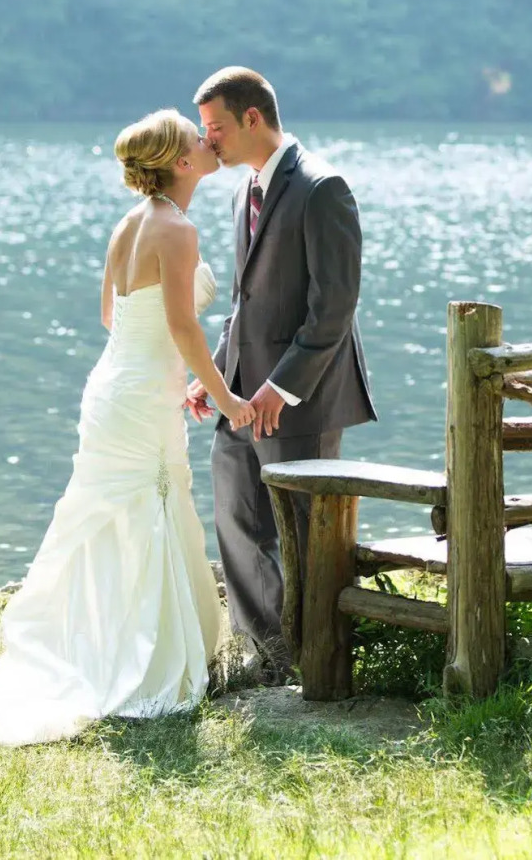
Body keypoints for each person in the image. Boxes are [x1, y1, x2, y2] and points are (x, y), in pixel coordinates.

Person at [0, 109, 254, 746]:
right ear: (181, 163)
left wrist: (168, 378)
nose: (209, 143)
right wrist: (227, 398)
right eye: (198, 139)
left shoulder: (129, 225)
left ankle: (96, 644)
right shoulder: (176, 230)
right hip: (141, 398)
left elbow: (109, 315)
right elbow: (181, 327)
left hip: (115, 388)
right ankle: (140, 662)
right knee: (143, 513)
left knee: (109, 518)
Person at [187, 67, 376, 683]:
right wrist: (215, 374)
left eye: (215, 127)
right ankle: (269, 654)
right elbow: (246, 302)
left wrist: (281, 386)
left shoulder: (323, 187)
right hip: (240, 394)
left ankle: (322, 657)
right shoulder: (246, 189)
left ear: (252, 118)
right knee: (238, 521)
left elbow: (334, 308)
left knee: (305, 538)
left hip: (304, 399)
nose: (206, 139)